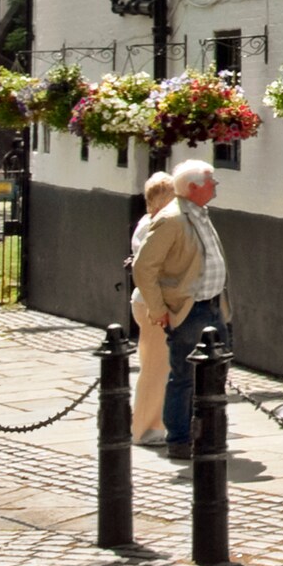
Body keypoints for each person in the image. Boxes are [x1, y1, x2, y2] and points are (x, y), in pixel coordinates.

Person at [132, 158, 232, 461]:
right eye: (210, 181)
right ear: (193, 188)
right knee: (183, 377)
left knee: (216, 374)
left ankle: (207, 433)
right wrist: (158, 307)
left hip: (214, 306)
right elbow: (143, 266)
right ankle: (179, 439)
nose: (215, 185)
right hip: (189, 309)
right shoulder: (172, 218)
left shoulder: (200, 214)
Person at [125, 172, 177, 445]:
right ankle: (146, 428)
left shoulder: (149, 222)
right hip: (152, 302)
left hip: (149, 300)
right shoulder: (154, 225)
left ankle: (157, 423)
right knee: (155, 367)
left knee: (158, 365)